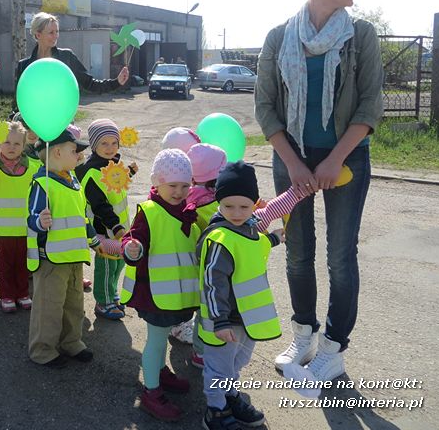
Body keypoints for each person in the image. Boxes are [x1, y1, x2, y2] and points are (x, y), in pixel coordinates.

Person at [254, 0, 384, 382]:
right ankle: (304, 334)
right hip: (291, 160)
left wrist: (333, 160)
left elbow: (369, 106)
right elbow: (266, 108)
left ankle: (333, 348)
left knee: (341, 258)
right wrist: (294, 163)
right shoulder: (279, 37)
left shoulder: (361, 35)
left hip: (346, 161)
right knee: (297, 253)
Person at [197, 161, 307, 430]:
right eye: (229, 206)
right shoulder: (220, 238)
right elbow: (213, 283)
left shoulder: (249, 227)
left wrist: (274, 239)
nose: (236, 212)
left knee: (237, 363)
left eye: (244, 207)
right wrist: (220, 321)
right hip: (224, 320)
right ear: (218, 203)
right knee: (218, 368)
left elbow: (253, 246)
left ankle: (230, 395)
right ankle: (216, 411)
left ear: (254, 205)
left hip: (246, 319)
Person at [120, 149, 198, 422]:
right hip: (153, 293)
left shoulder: (187, 211)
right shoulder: (149, 211)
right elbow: (133, 239)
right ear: (156, 183)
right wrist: (133, 248)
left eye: (185, 185)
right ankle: (151, 391)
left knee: (162, 336)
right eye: (172, 186)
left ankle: (160, 371)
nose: (179, 192)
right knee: (155, 339)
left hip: (172, 294)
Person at [26, 130, 106, 368]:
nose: (80, 154)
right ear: (57, 152)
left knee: (74, 305)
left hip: (73, 257)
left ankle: (72, 342)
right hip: (51, 260)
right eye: (75, 150)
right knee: (48, 308)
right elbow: (32, 217)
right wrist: (40, 222)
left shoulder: (73, 181)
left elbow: (82, 218)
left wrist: (94, 241)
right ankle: (43, 350)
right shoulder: (42, 183)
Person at [168, 142, 228, 367]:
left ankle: (180, 329)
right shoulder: (216, 203)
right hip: (212, 266)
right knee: (208, 311)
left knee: (195, 304)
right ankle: (202, 354)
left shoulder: (187, 195)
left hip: (191, 262)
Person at [75, 119, 138, 320]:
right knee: (106, 265)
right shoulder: (92, 172)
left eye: (114, 143)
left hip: (120, 228)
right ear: (94, 146)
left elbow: (116, 183)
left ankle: (111, 293)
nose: (110, 148)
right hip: (105, 229)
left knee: (119, 264)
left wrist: (130, 172)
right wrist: (116, 226)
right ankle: (103, 302)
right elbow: (100, 204)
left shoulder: (114, 164)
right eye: (104, 143)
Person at [12, 12, 130, 112]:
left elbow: (90, 84)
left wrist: (116, 82)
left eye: (57, 31)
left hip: (61, 124)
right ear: (38, 35)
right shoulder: (24, 65)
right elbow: (19, 101)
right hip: (33, 125)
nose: (56, 36)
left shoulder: (67, 57)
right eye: (51, 32)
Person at [0, 121, 36, 313]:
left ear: (24, 145)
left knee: (23, 262)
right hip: (3, 227)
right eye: (7, 142)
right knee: (5, 263)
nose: (12, 147)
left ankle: (23, 293)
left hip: (26, 226)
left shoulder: (34, 167)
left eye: (17, 144)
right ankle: (8, 295)